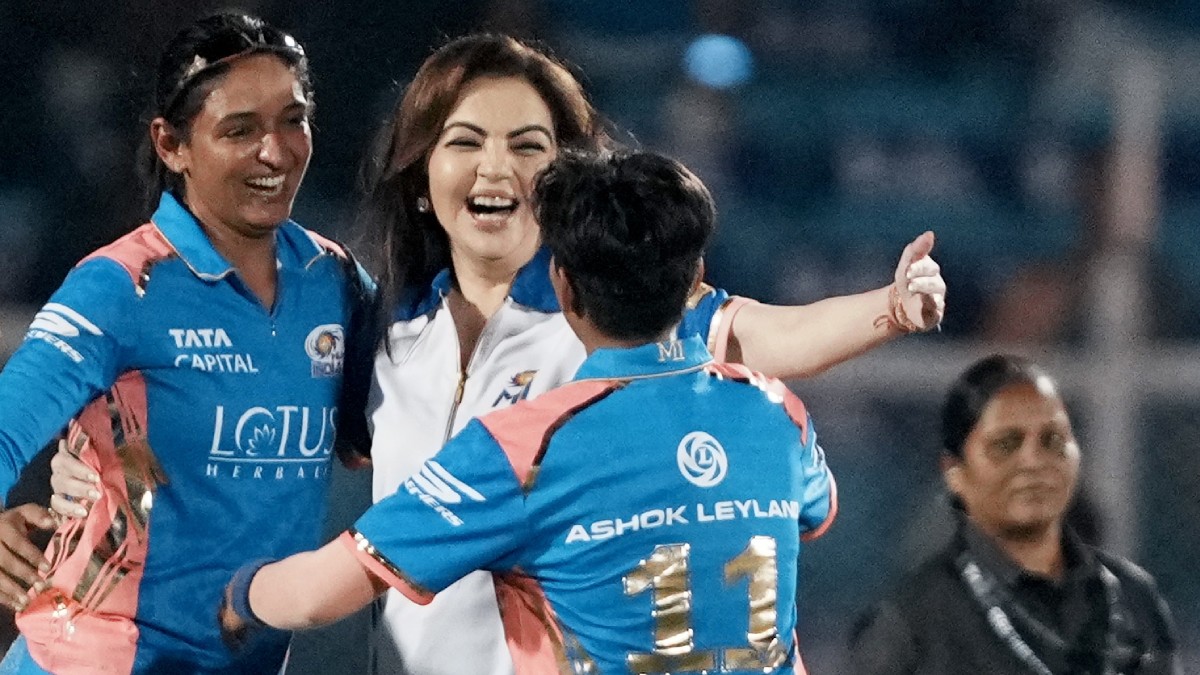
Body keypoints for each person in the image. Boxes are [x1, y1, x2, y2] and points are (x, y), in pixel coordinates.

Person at [48, 33, 945, 675]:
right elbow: (258, 431)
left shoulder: (611, 309)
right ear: (422, 174)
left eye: (529, 146)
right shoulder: (381, 321)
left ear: (567, 179)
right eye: (465, 142)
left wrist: (891, 309)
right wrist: (94, 469)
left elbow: (769, 337)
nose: (496, 169)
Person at [218, 147, 838, 675]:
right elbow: (809, 514)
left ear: (564, 286)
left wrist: (240, 595)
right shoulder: (775, 410)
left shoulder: (524, 449)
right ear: (695, 275)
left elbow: (316, 596)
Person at [0, 13, 370, 674]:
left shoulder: (335, 279)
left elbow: (405, 412)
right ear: (171, 145)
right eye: (239, 130)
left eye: (293, 120)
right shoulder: (122, 284)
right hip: (96, 655)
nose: (276, 152)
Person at [848, 354, 1182, 674]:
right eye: (1005, 445)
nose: (1033, 462)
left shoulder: (1133, 599)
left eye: (1052, 440)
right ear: (955, 471)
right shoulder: (911, 621)